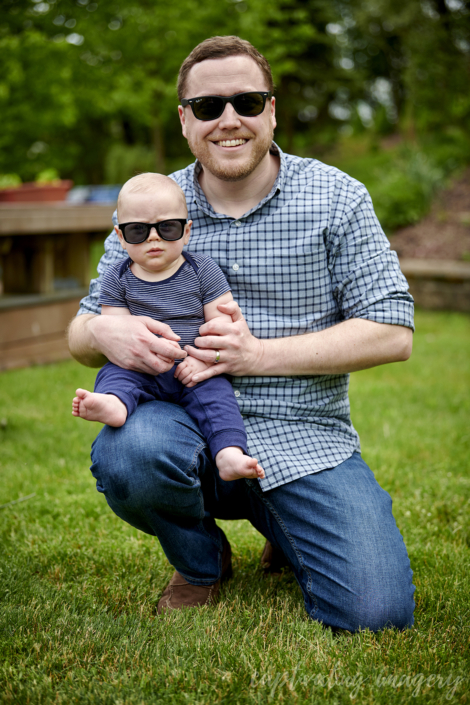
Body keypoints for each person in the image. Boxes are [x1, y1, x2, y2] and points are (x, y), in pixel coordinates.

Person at [68, 35, 416, 630]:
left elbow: (392, 332)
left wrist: (254, 355)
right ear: (185, 121)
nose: (229, 120)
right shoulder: (151, 205)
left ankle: (287, 525)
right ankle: (201, 560)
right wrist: (105, 332)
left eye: (248, 102)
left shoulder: (337, 198)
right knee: (131, 451)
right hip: (183, 422)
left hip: (305, 439)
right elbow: (80, 331)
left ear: (272, 110)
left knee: (376, 613)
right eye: (208, 107)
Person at [72, 173, 264, 482]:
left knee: (219, 399)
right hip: (141, 368)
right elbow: (116, 335)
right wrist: (130, 357)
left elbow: (222, 325)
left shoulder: (203, 271)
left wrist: (202, 359)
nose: (153, 238)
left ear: (186, 232)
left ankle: (229, 452)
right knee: (115, 373)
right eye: (137, 231)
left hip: (194, 370)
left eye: (168, 227)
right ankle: (114, 403)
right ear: (120, 237)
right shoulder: (116, 278)